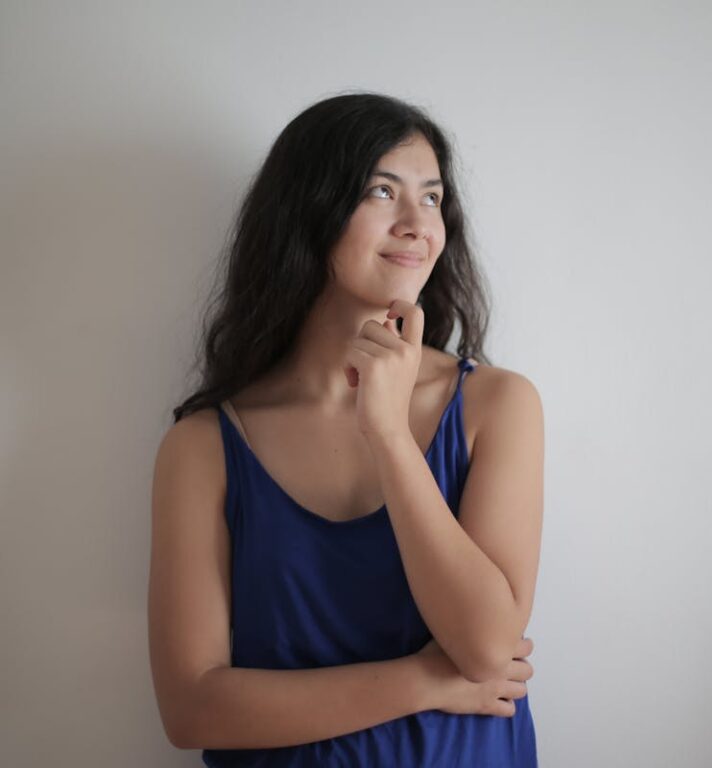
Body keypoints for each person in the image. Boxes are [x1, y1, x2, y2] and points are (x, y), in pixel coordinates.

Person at [148, 91, 544, 767]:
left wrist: (388, 434)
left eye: (432, 197)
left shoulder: (497, 405)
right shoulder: (205, 446)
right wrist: (426, 681)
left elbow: (483, 647)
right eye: (382, 192)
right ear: (310, 211)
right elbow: (192, 709)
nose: (419, 224)